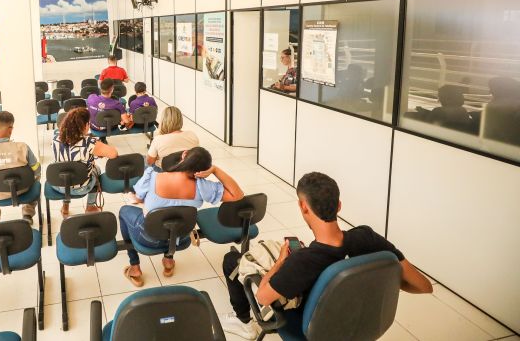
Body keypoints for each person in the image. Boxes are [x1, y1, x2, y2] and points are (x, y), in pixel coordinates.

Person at [219, 172, 432, 340]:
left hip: (313, 330)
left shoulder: (302, 261)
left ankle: (243, 322)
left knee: (231, 261)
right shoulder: (367, 238)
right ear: (339, 206)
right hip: (361, 321)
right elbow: (424, 286)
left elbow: (263, 297)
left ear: (303, 207)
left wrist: (282, 261)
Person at [120, 147, 243, 286]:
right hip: (181, 238)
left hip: (148, 238)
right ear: (204, 170)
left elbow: (138, 198)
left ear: (184, 154)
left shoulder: (152, 176)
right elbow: (237, 194)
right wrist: (216, 170)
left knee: (124, 211)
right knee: (175, 218)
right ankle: (168, 260)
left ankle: (135, 267)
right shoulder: (203, 186)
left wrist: (143, 199)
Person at [51, 108, 118, 216]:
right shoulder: (89, 143)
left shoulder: (55, 138)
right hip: (81, 188)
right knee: (96, 170)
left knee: (65, 172)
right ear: (85, 125)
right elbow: (113, 153)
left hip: (58, 185)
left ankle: (65, 206)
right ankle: (90, 206)